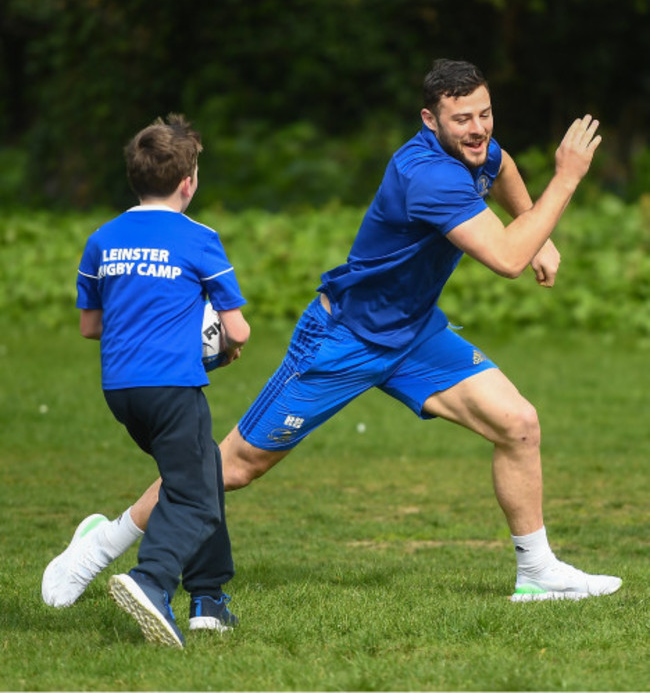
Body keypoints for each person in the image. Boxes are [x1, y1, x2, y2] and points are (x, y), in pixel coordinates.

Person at [43, 59, 621, 606]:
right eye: (462, 119)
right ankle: (99, 545)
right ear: (430, 121)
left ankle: (538, 573)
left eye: (484, 114)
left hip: (413, 334)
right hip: (344, 336)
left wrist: (534, 228)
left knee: (518, 423)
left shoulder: (474, 149)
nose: (478, 130)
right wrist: (565, 181)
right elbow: (505, 259)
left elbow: (502, 166)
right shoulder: (427, 176)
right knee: (234, 466)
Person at [45, 113, 251, 648]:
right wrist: (220, 349)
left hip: (121, 390)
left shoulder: (103, 238)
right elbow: (237, 329)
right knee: (196, 497)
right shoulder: (199, 239)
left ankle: (209, 599)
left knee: (200, 470)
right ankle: (151, 581)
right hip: (173, 388)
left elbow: (92, 326)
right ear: (189, 181)